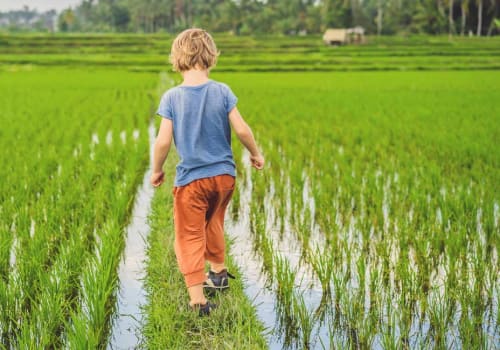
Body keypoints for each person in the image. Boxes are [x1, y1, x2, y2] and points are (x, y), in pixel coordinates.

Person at [150, 28, 265, 316]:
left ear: (177, 58)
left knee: (189, 234)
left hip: (192, 181)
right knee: (213, 221)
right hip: (224, 177)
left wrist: (156, 170)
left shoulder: (172, 97)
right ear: (211, 56)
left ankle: (198, 300)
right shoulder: (222, 91)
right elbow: (241, 128)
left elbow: (163, 140)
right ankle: (219, 272)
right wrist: (255, 153)